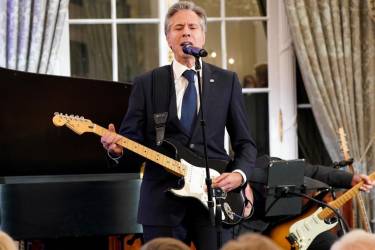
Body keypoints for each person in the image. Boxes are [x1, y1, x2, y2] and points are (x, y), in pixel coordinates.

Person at [100, 1, 257, 249]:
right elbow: (131, 141)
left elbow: (245, 143)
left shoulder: (227, 81)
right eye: (178, 27)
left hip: (214, 200)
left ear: (203, 36)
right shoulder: (147, 83)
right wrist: (117, 150)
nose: (186, 32)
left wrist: (239, 175)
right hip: (161, 204)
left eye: (193, 27)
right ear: (168, 38)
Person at [236, 155, 375, 250]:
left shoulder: (263, 166)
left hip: (294, 226)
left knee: (331, 244)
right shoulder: (226, 223)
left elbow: (313, 172)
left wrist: (350, 179)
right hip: (264, 237)